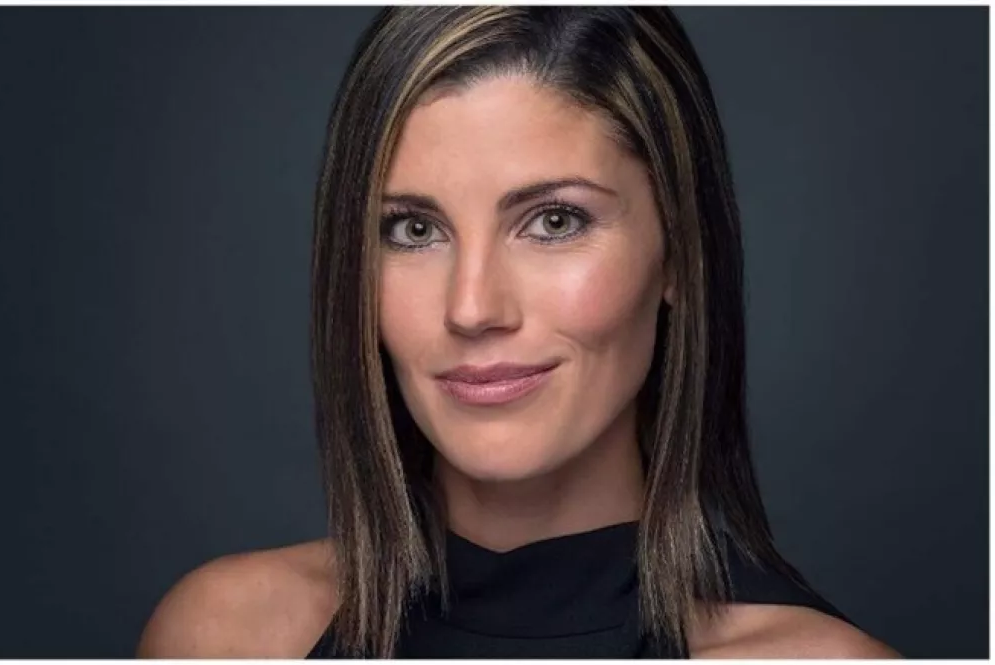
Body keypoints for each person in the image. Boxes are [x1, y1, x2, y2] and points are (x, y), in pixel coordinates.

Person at [138, 6, 899, 658]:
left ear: (679, 254)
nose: (472, 307)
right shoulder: (225, 638)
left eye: (554, 221)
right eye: (412, 229)